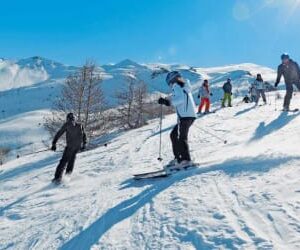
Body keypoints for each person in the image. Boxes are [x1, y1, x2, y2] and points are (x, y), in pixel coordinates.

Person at [158, 71, 197, 169]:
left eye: (169, 82)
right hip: (188, 115)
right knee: (174, 135)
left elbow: (180, 99)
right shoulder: (183, 86)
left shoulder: (177, 86)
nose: (170, 84)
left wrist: (167, 102)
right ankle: (178, 158)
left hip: (185, 116)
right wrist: (167, 99)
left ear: (172, 80)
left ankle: (185, 160)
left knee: (181, 137)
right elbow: (177, 96)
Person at [51, 113, 87, 184]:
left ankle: (57, 178)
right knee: (71, 160)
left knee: (63, 162)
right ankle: (68, 176)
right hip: (77, 147)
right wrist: (84, 144)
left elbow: (59, 133)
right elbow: (84, 135)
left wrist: (54, 143)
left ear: (68, 118)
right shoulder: (80, 125)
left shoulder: (67, 124)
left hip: (70, 147)